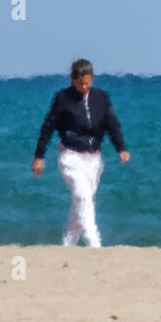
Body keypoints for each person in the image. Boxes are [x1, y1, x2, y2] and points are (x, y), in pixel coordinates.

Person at [32, 59, 130, 247]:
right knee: (83, 197)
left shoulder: (101, 97)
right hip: (70, 158)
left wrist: (121, 148)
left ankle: (68, 245)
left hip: (94, 161)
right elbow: (48, 126)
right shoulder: (62, 98)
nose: (84, 87)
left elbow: (112, 124)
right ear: (72, 80)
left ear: (92, 79)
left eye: (87, 83)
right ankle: (95, 244)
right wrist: (39, 156)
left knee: (81, 201)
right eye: (80, 84)